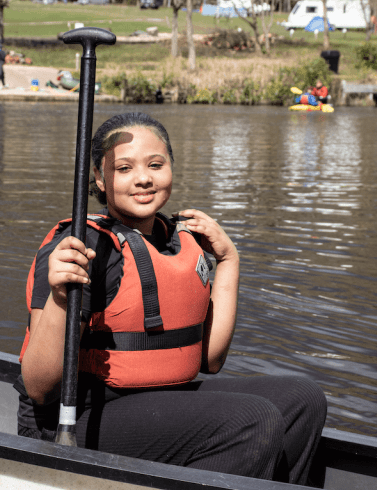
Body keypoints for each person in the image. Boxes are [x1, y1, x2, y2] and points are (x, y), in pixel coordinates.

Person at [16, 112, 327, 484]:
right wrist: (60, 297)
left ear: (171, 169)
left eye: (155, 164)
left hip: (158, 402)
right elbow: (39, 388)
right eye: (124, 168)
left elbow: (209, 360)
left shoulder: (174, 239)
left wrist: (228, 261)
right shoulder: (85, 248)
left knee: (302, 399)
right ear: (98, 178)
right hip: (73, 419)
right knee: (251, 419)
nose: (144, 178)